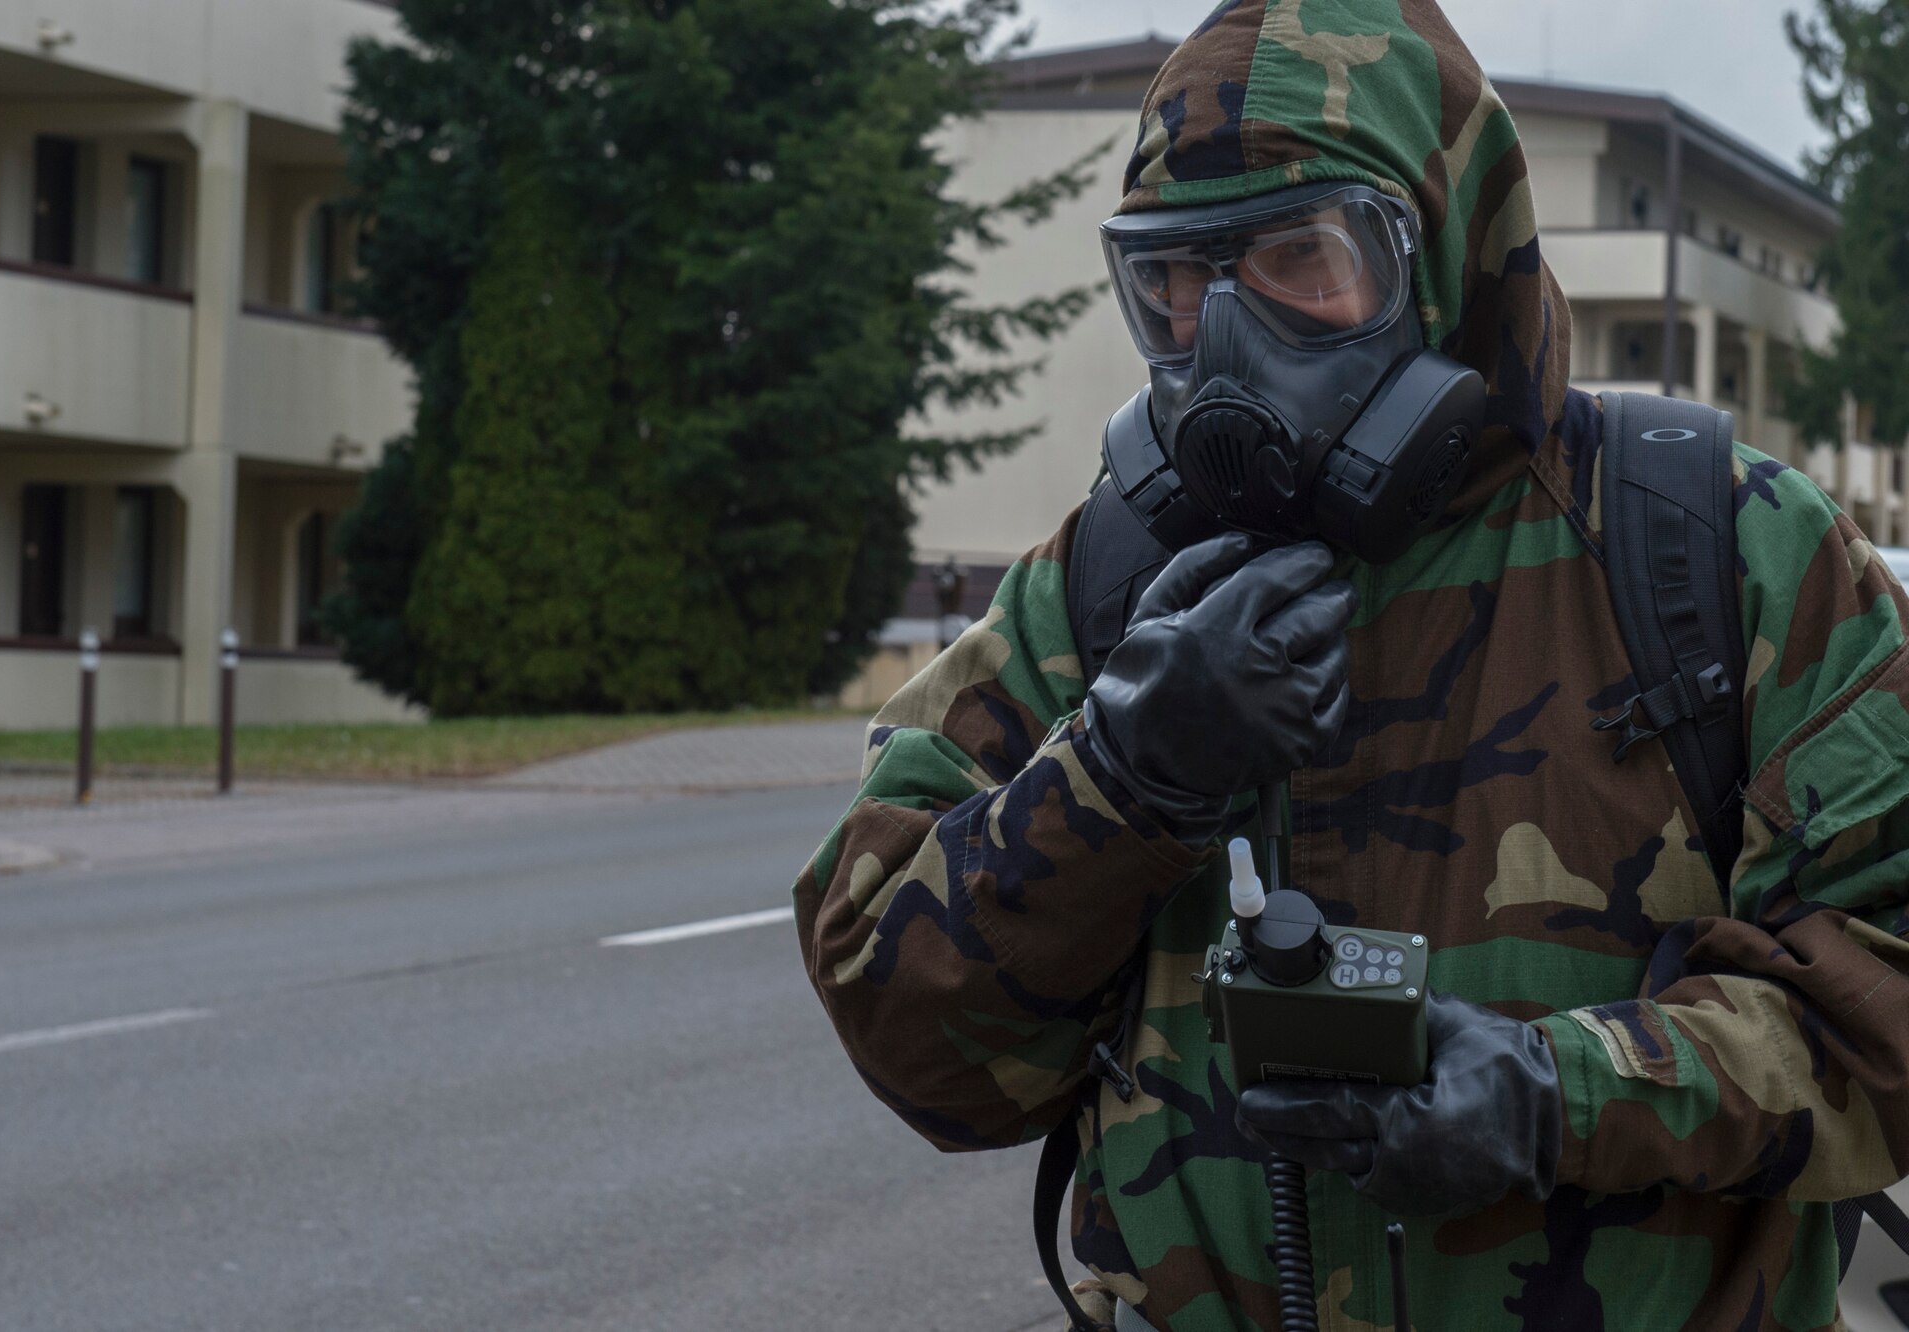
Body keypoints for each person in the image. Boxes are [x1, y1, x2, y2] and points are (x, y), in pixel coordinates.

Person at [793, 2, 1909, 1328]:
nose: (1224, 342)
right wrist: (1116, 781)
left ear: (1443, 255)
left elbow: (1886, 1008)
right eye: (1178, 282)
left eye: (1297, 259)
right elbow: (917, 1051)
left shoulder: (1718, 552)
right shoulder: (1090, 591)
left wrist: (1563, 1094)